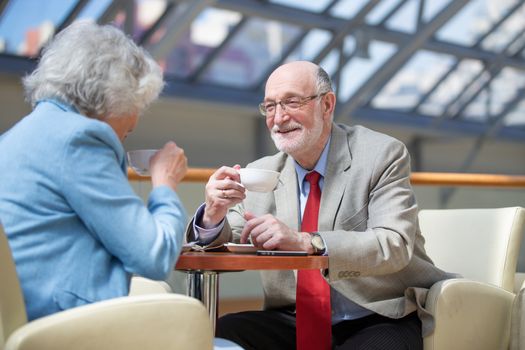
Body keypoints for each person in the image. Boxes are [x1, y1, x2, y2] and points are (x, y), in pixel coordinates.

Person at [186, 61, 458, 349]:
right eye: (270, 106)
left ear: (326, 105)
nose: (278, 118)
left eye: (291, 102)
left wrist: (306, 241)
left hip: (378, 313)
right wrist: (212, 216)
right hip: (294, 317)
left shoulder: (381, 155)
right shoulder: (263, 173)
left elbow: (394, 244)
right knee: (218, 334)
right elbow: (232, 236)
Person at [0, 20, 188, 321]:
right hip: (61, 321)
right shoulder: (79, 139)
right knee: (190, 318)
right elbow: (154, 256)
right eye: (139, 103)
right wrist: (164, 184)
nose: (135, 121)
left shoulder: (15, 138)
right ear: (117, 95)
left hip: (22, 313)